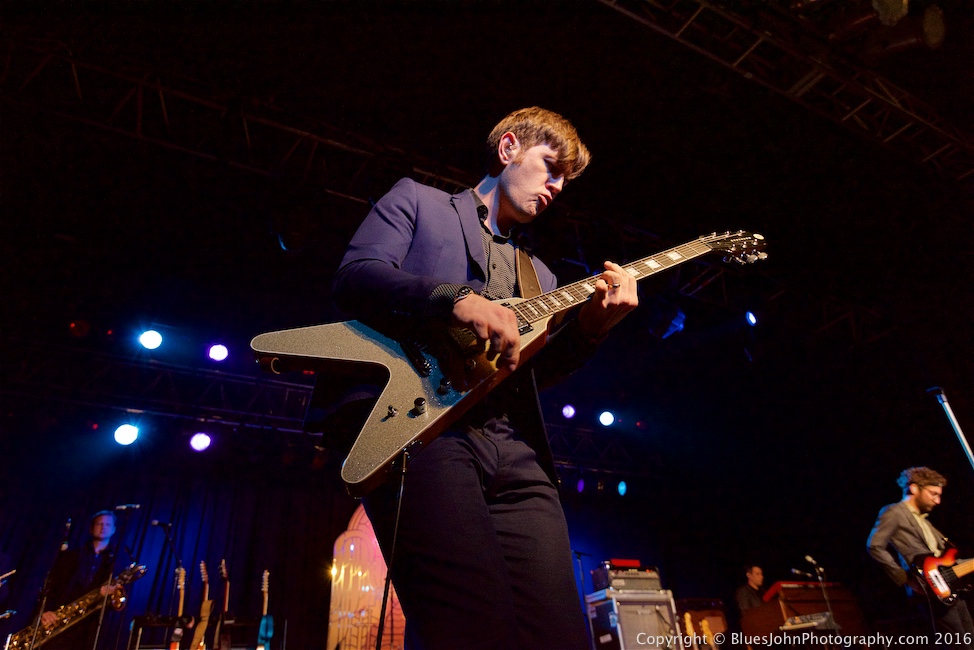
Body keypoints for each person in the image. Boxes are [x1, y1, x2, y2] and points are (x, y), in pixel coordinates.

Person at [332, 106, 638, 649]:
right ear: (508, 149)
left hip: (514, 449)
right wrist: (455, 299)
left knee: (561, 634)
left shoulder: (539, 275)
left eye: (565, 179)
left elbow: (534, 375)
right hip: (425, 427)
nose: (557, 186)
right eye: (550, 165)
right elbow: (358, 275)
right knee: (470, 625)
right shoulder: (418, 201)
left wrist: (592, 329)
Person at [867, 466, 974, 648]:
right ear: (914, 488)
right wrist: (905, 579)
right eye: (933, 494)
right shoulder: (894, 512)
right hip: (929, 588)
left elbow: (948, 560)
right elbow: (874, 545)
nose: (938, 501)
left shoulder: (924, 521)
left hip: (950, 586)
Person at [36, 511, 119, 650]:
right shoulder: (72, 556)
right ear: (91, 528)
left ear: (114, 529)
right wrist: (45, 610)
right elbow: (53, 586)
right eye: (100, 523)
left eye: (108, 524)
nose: (103, 527)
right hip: (60, 623)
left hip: (90, 628)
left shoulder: (116, 561)